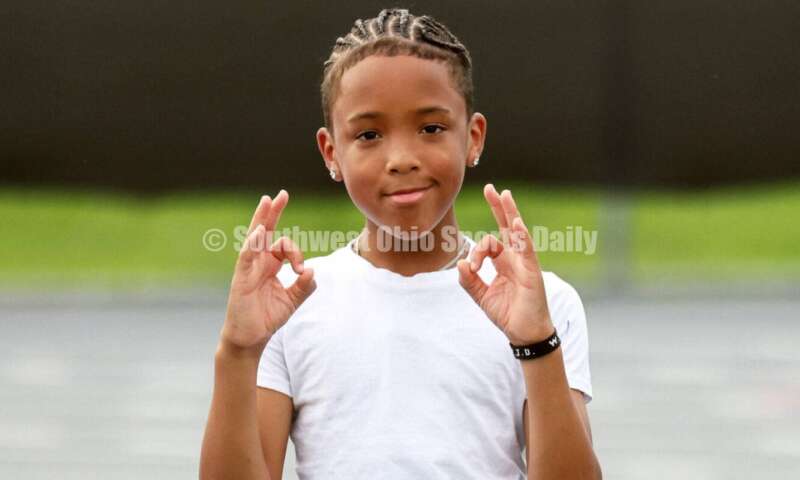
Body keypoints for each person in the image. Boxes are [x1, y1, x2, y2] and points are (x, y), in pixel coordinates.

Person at [200, 8, 601, 480]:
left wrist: (537, 344)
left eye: (431, 128)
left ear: (472, 138)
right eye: (369, 134)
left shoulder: (543, 304)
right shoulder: (292, 304)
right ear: (333, 152)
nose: (402, 159)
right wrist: (238, 352)